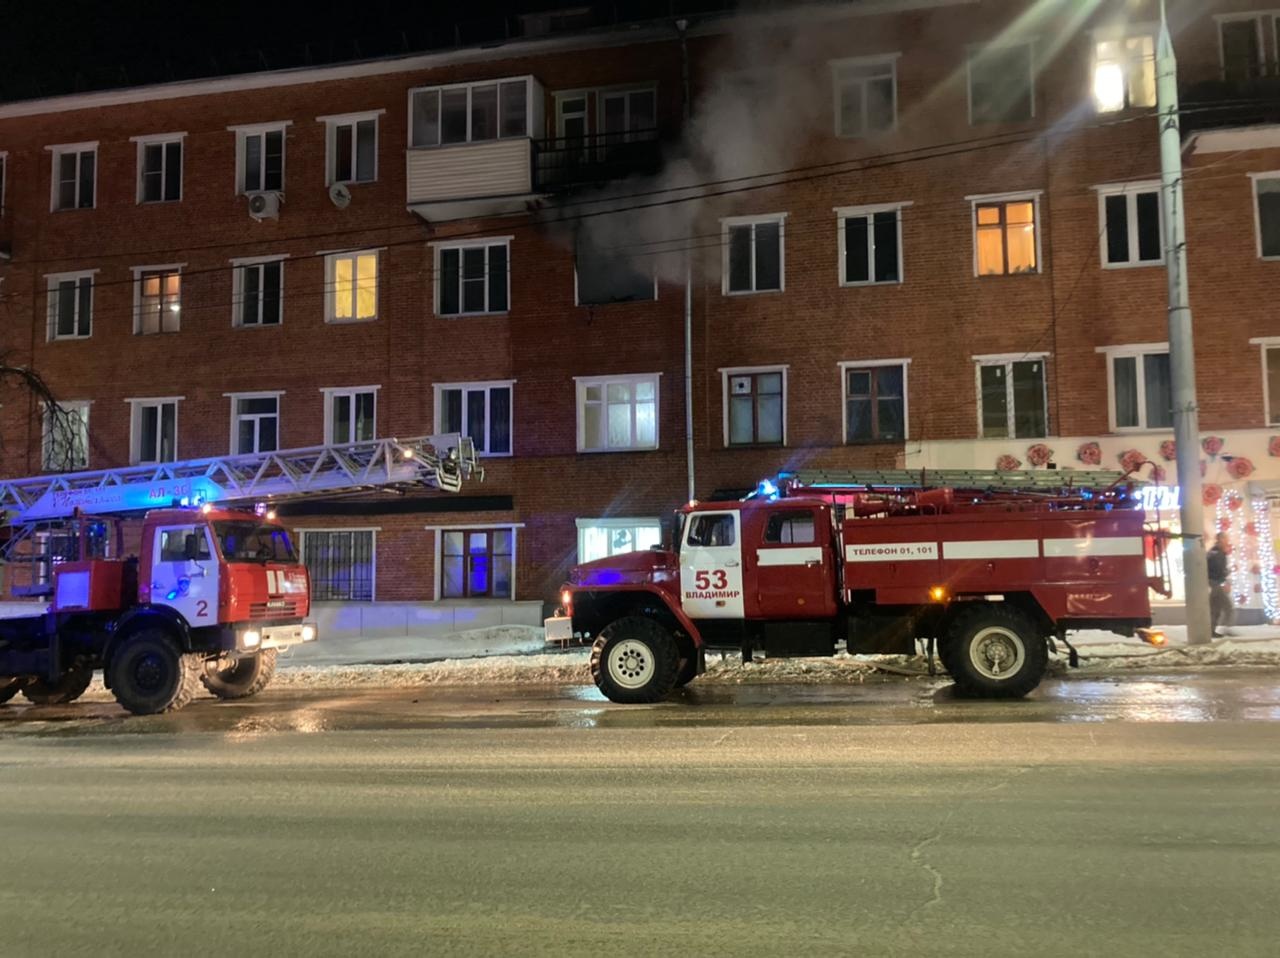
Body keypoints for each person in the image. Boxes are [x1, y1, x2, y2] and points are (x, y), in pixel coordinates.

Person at [1207, 532, 1233, 638]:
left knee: (1215, 608)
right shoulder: (1217, 553)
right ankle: (1226, 629)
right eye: (1226, 539)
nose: (1228, 541)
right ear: (1221, 539)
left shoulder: (1214, 552)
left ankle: (1211, 630)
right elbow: (1218, 571)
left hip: (1213, 583)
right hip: (1215, 583)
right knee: (1228, 607)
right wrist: (1227, 573)